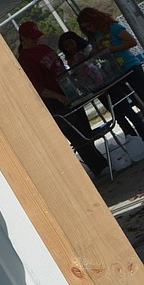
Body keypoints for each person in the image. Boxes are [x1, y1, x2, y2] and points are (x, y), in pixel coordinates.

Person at [17, 21, 108, 177]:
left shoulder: (44, 48)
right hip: (56, 102)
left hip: (68, 91)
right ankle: (98, 167)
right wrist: (58, 97)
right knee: (77, 135)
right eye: (32, 37)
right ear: (24, 38)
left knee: (85, 130)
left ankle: (101, 162)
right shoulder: (25, 60)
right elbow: (37, 87)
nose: (36, 40)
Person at [58, 29, 144, 138]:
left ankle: (141, 132)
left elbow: (99, 60)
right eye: (66, 46)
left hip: (109, 83)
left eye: (71, 43)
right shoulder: (71, 60)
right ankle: (130, 137)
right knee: (117, 115)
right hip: (96, 89)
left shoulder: (88, 49)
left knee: (127, 109)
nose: (70, 48)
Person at [78, 6, 144, 106]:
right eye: (86, 28)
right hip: (116, 73)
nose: (89, 29)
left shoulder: (113, 27)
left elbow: (132, 42)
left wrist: (112, 49)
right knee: (136, 100)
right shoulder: (94, 37)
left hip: (130, 65)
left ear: (95, 20)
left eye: (89, 25)